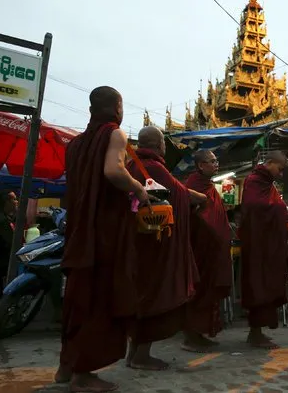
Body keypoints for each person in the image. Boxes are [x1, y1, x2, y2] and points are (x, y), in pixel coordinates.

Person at [55, 86, 149, 392]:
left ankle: (67, 367)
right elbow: (113, 170)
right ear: (118, 107)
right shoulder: (115, 134)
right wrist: (138, 187)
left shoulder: (75, 144)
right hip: (105, 233)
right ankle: (83, 375)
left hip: (80, 231)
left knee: (78, 297)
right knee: (99, 296)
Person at [125, 126, 206, 368]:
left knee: (141, 296)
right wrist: (202, 199)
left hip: (138, 242)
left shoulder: (133, 165)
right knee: (153, 295)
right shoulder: (154, 167)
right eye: (163, 143)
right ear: (159, 145)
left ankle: (133, 354)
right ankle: (141, 356)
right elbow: (178, 192)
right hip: (154, 242)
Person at [183, 149, 233, 352]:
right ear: (200, 165)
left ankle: (201, 334)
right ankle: (190, 337)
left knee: (209, 291)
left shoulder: (210, 187)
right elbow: (193, 216)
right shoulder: (192, 185)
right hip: (199, 249)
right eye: (211, 161)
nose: (216, 164)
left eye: (216, 160)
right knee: (199, 290)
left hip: (212, 249)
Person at [240, 151, 288, 349]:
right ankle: (255, 333)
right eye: (279, 168)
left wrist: (282, 209)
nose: (280, 173)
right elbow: (254, 206)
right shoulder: (254, 181)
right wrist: (281, 210)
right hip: (257, 245)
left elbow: (271, 205)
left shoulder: (268, 184)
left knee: (267, 284)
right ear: (269, 163)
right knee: (258, 285)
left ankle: (258, 332)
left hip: (268, 245)